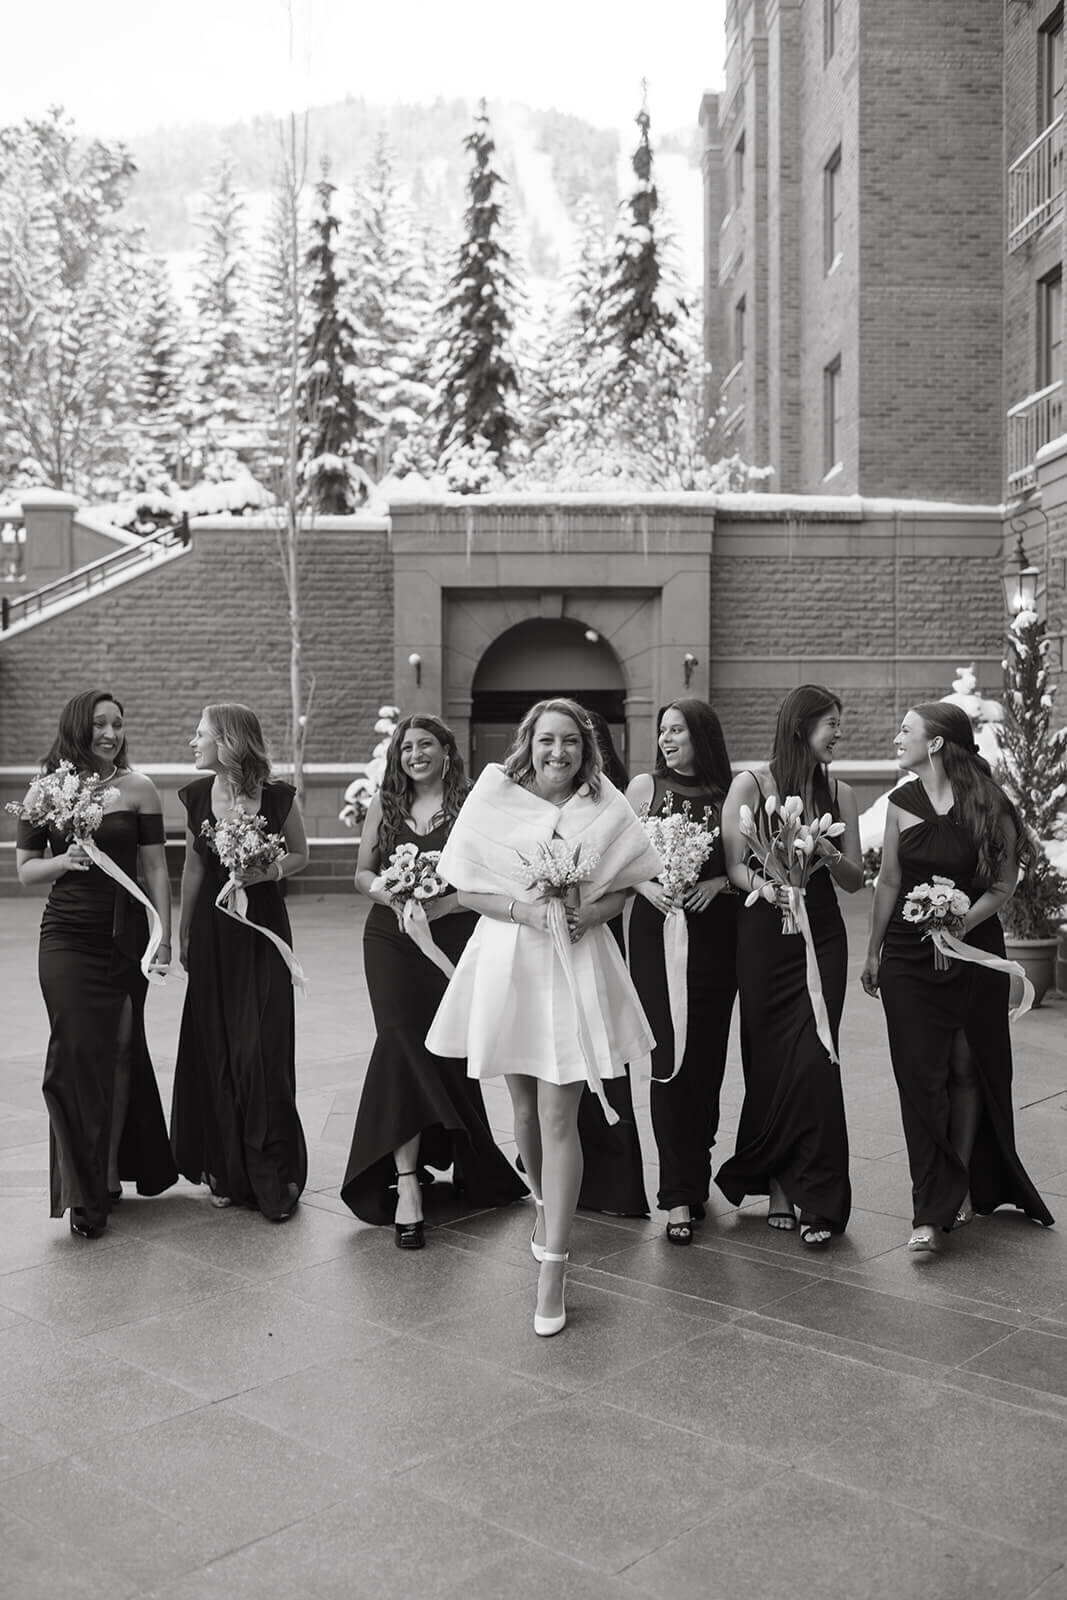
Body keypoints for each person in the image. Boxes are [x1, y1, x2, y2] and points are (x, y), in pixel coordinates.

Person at [426, 697, 661, 1335]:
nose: (559, 753)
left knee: (563, 1115)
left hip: (577, 965)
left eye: (572, 743)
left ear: (588, 749)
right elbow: (465, 888)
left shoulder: (605, 806)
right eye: (547, 741)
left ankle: (554, 1265)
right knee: (524, 1110)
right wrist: (523, 911)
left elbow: (630, 882)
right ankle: (541, 1204)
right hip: (510, 961)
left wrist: (593, 913)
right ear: (528, 743)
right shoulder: (494, 796)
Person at [861, 702, 1054, 1251]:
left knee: (969, 1068)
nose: (897, 737)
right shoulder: (900, 803)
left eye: (906, 730)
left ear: (938, 743)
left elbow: (1002, 885)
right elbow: (889, 882)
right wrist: (873, 952)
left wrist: (955, 926)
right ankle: (930, 1208)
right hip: (907, 956)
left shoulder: (990, 804)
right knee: (920, 1077)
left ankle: (962, 1184)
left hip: (973, 953)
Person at [340, 714, 527, 1244]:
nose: (414, 754)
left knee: (447, 1048)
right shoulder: (386, 802)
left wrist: (445, 903)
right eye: (406, 747)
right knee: (399, 1040)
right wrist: (392, 892)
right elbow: (362, 872)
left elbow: (495, 871)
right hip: (391, 936)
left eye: (426, 745)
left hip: (454, 934)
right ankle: (406, 1182)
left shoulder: (472, 804)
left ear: (447, 751)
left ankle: (467, 1158)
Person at [15, 689, 176, 1238]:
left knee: (123, 1051)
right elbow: (25, 871)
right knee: (76, 1053)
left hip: (127, 937)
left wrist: (166, 935)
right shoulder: (47, 790)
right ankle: (80, 1185)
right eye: (100, 724)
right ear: (78, 727)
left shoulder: (140, 789)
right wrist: (65, 858)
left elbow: (155, 868)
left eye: (118, 725)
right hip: (65, 938)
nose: (110, 733)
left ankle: (107, 1172)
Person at [716, 684, 863, 1247]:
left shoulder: (840, 791)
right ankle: (779, 1184)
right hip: (764, 933)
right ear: (802, 727)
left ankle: (821, 1198)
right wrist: (770, 885)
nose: (839, 733)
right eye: (831, 723)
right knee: (771, 1061)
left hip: (822, 933)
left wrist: (820, 849)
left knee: (818, 1059)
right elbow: (732, 865)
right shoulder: (750, 785)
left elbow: (855, 878)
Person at [171, 703, 309, 1222]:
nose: (193, 741)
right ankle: (225, 1170)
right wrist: (183, 933)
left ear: (228, 740)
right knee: (220, 1045)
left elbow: (300, 855)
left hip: (264, 931)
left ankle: (271, 1174)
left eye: (200, 733)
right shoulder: (195, 797)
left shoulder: (276, 796)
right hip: (212, 932)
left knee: (264, 1047)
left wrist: (265, 871)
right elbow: (189, 869)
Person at [626, 700, 738, 1244]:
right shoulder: (644, 788)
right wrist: (648, 888)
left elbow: (747, 866)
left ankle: (698, 1165)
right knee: (667, 1056)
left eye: (679, 730)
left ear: (703, 735)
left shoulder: (731, 793)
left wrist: (719, 884)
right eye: (663, 731)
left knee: (708, 1059)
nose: (667, 739)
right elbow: (615, 862)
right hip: (654, 932)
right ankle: (676, 1194)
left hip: (716, 938)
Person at [576, 710, 649, 1217]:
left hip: (601, 928)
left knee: (604, 1049)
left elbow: (630, 872)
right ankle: (561, 1161)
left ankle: (614, 1175)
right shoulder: (537, 798)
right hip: (550, 929)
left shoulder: (617, 796)